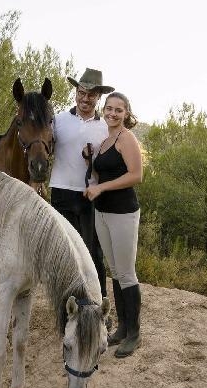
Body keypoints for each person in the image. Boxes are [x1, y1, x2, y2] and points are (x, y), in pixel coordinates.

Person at [83, 92, 143, 358]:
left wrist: (102, 187)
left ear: (126, 113)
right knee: (116, 273)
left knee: (127, 273)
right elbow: (103, 172)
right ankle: (122, 328)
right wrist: (90, 162)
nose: (113, 113)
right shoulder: (105, 140)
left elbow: (136, 175)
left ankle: (134, 334)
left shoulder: (126, 138)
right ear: (103, 110)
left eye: (119, 110)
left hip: (123, 213)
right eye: (109, 108)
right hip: (103, 213)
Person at [49, 68, 113, 306]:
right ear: (76, 92)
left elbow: (109, 165)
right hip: (60, 192)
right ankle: (66, 304)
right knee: (63, 251)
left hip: (90, 195)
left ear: (99, 98)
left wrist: (92, 161)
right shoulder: (58, 120)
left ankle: (99, 304)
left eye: (91, 95)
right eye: (81, 93)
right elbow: (42, 148)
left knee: (93, 252)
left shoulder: (106, 128)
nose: (85, 99)